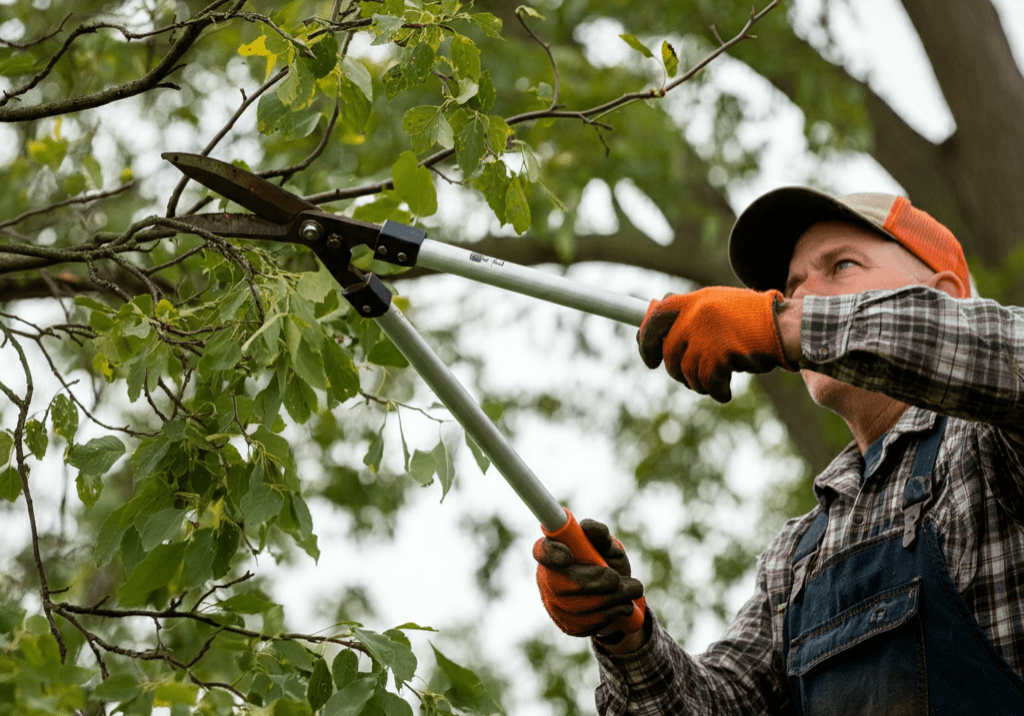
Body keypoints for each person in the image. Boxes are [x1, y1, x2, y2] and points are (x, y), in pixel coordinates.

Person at [533, 187, 1024, 715]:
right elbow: (712, 706)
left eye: (839, 266)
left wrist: (790, 327)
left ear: (946, 295)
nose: (797, 297)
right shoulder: (797, 555)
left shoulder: (989, 446)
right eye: (790, 287)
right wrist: (623, 634)